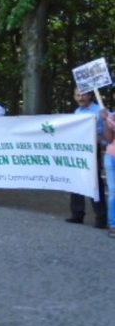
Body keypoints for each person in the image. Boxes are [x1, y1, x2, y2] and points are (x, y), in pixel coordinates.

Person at [65, 89, 107, 228]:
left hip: (92, 150)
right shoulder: (77, 112)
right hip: (79, 150)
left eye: (83, 94)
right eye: (77, 95)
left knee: (95, 182)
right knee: (76, 179)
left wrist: (101, 140)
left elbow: (109, 133)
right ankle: (77, 214)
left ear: (90, 95)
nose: (80, 97)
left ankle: (101, 218)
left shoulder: (100, 110)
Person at [101, 107, 115, 238]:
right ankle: (113, 225)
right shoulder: (111, 116)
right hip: (111, 157)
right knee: (113, 192)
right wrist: (106, 122)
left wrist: (109, 120)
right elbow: (109, 139)